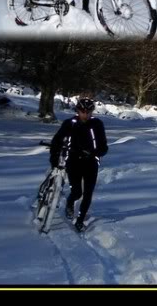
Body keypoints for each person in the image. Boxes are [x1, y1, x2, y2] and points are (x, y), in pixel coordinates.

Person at [49, 98, 108, 232]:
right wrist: (54, 158)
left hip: (91, 162)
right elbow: (56, 141)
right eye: (82, 111)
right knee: (77, 192)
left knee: (88, 193)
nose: (85, 114)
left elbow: (104, 146)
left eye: (88, 111)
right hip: (73, 161)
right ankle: (70, 202)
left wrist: (95, 152)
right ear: (77, 111)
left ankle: (80, 220)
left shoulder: (97, 124)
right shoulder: (70, 123)